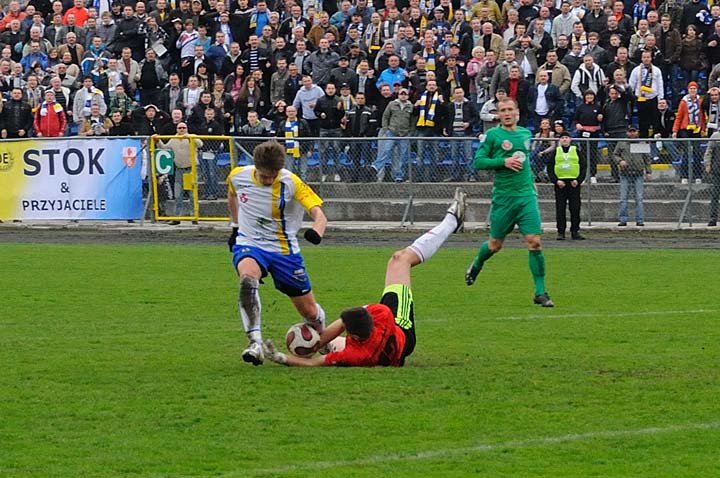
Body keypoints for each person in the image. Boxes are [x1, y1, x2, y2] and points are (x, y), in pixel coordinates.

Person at [262, 188, 467, 367]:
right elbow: (344, 324)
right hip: (394, 333)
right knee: (399, 259)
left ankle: (452, 221)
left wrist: (283, 356)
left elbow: (315, 363)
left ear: (356, 338)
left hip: (397, 329)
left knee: (399, 259)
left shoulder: (358, 354)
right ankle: (452, 221)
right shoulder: (380, 314)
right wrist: (314, 344)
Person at [226, 140, 328, 366]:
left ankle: (325, 337)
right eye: (263, 176)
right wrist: (235, 227)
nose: (268, 180)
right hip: (250, 243)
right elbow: (232, 196)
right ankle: (255, 342)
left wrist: (316, 231)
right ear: (255, 168)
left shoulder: (292, 183)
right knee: (247, 278)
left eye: (272, 176)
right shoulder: (237, 176)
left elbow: (319, 214)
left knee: (309, 311)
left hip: (284, 251)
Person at [465, 98, 554, 307]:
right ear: (498, 114)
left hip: (526, 197)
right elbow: (478, 162)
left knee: (534, 241)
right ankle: (477, 264)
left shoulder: (525, 134)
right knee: (495, 245)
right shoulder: (493, 136)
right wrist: (502, 162)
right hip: (504, 198)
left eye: (509, 109)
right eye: (502, 110)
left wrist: (531, 183)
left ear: (516, 112)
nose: (506, 113)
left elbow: (525, 164)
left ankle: (540, 292)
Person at [548, 131, 586, 240]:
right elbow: (550, 168)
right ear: (560, 140)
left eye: (566, 137)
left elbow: (583, 166)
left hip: (573, 184)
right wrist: (556, 181)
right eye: (562, 138)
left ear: (570, 139)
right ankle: (561, 232)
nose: (564, 139)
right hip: (561, 184)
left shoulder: (576, 151)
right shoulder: (556, 152)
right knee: (560, 208)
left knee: (575, 208)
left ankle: (575, 231)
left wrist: (578, 180)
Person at [613, 126, 652, 227]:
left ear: (637, 132)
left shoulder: (642, 143)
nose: (632, 134)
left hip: (638, 174)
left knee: (639, 198)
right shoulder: (621, 143)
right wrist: (620, 161)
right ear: (627, 133)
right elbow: (614, 155)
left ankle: (640, 220)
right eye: (630, 132)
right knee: (623, 198)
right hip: (624, 174)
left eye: (634, 131)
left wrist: (648, 172)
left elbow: (647, 158)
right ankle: (623, 219)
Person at [704, 131, 720, 226]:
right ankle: (712, 218)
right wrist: (707, 164)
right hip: (717, 170)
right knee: (714, 195)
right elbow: (708, 151)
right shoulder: (716, 136)